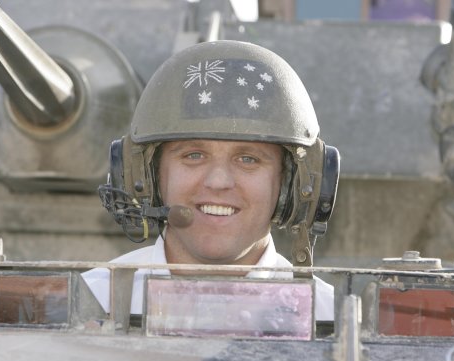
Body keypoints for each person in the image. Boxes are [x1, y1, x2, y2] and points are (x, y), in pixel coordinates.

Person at [83, 40, 338, 321]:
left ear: (290, 185)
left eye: (248, 159)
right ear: (149, 177)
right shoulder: (86, 304)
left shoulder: (333, 323)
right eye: (194, 155)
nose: (218, 182)